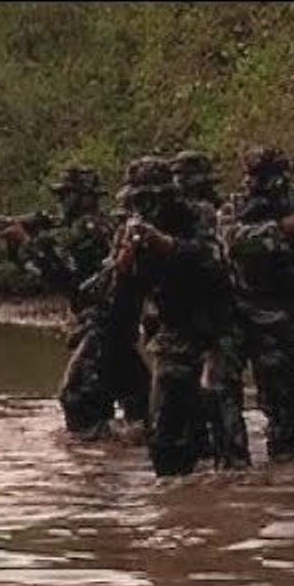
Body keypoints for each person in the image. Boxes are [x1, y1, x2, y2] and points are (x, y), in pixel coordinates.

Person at [110, 156, 238, 476]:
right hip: (174, 331)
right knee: (165, 440)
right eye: (138, 200)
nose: (145, 207)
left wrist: (167, 245)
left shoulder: (201, 214)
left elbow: (215, 262)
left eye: (152, 199)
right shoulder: (129, 228)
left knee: (220, 413)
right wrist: (123, 268)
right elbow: (121, 303)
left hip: (218, 326)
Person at [0, 166, 149, 439]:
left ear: (84, 197)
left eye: (66, 195)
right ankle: (129, 451)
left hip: (104, 322)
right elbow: (43, 273)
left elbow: (64, 276)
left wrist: (28, 241)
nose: (61, 201)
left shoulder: (89, 229)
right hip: (112, 323)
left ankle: (100, 458)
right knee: (138, 400)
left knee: (77, 398)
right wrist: (17, 248)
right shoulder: (92, 227)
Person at [219, 146, 294, 459]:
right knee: (284, 414)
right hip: (265, 320)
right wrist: (286, 228)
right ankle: (292, 480)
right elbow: (233, 242)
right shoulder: (235, 208)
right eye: (258, 176)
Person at [169, 150, 251, 469]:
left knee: (218, 393)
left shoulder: (223, 213)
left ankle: (233, 468)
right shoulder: (171, 220)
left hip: (222, 317)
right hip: (182, 320)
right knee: (186, 399)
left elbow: (223, 257)